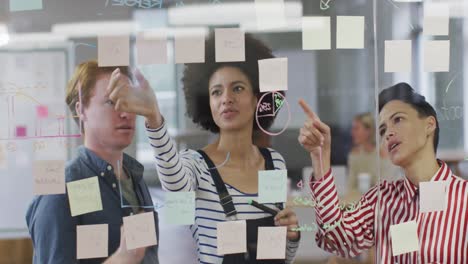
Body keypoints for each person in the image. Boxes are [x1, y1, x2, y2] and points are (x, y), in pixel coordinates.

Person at [106, 33, 300, 263]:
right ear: (208, 104)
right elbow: (174, 183)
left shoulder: (274, 163)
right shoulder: (196, 165)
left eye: (237, 88)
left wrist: (292, 235)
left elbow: (282, 257)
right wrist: (154, 118)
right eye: (216, 92)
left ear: (257, 98)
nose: (226, 98)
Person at [298, 82, 467, 263]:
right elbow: (335, 239)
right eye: (383, 129)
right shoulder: (381, 198)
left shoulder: (464, 198)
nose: (388, 134)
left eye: (398, 119)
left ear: (429, 124)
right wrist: (321, 159)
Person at [26, 61, 159, 264]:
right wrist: (121, 260)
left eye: (129, 102)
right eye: (111, 102)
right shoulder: (61, 190)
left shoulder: (135, 177)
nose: (126, 113)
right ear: (81, 110)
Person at [347, 113, 400, 198]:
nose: (352, 132)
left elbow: (385, 189)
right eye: (352, 128)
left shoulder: (383, 154)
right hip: (361, 201)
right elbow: (350, 186)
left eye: (356, 128)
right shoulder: (355, 154)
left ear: (368, 131)